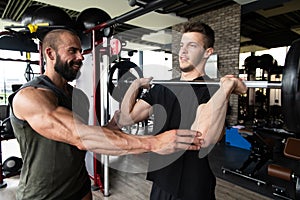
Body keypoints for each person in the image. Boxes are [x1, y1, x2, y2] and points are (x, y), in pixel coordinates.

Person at [8, 29, 203, 200]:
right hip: (44, 194)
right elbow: (80, 137)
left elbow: (87, 135)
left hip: (79, 186)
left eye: (80, 51)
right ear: (50, 53)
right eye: (72, 51)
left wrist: (110, 128)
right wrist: (154, 142)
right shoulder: (30, 97)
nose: (80, 57)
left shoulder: (77, 95)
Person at [118, 21, 247, 200]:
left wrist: (226, 88)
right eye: (181, 45)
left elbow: (205, 137)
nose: (183, 51)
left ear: (207, 52)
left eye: (192, 45)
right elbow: (125, 119)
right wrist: (135, 85)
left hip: (193, 185)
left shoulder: (213, 90)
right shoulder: (163, 88)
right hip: (162, 179)